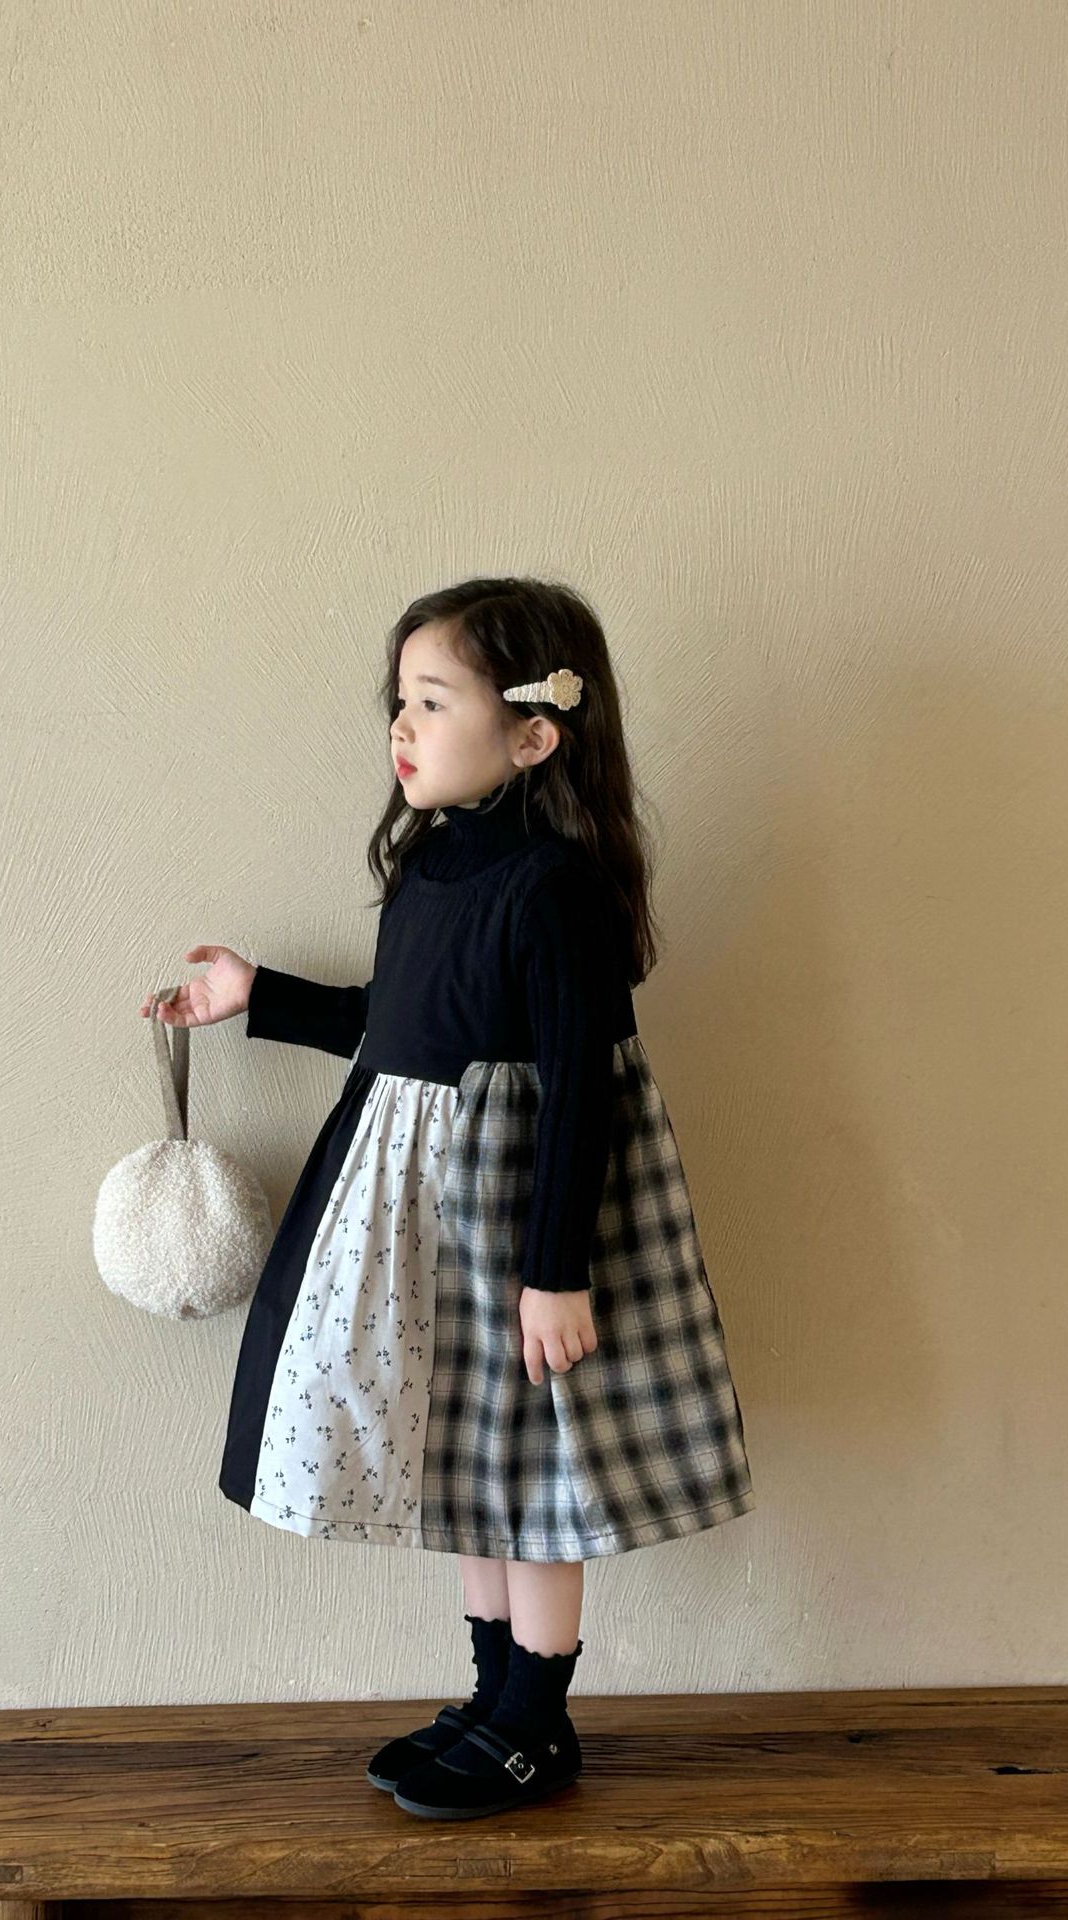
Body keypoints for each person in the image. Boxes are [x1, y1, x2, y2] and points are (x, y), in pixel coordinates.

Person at [140, 575, 755, 1821]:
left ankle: (537, 1721)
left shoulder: (554, 888)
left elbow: (583, 1088)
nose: (401, 727)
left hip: (518, 1227)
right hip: (432, 1229)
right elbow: (400, 1027)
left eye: (432, 701)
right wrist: (259, 996)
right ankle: (491, 1698)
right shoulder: (431, 862)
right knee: (465, 1463)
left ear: (533, 737)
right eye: (400, 701)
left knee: (532, 1480)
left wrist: (557, 1272)